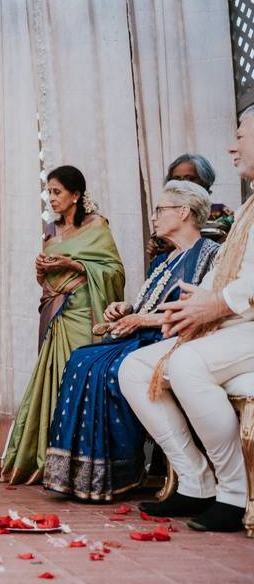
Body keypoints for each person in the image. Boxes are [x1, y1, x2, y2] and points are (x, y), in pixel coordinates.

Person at [119, 107, 254, 532]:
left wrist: (216, 304)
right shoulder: (250, 205)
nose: (232, 145)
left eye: (240, 135)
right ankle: (195, 480)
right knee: (135, 367)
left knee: (186, 362)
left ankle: (235, 493)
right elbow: (230, 268)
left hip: (246, 322)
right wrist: (198, 301)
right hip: (239, 320)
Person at [44, 181, 219, 501]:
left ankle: (118, 472)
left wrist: (141, 320)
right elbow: (147, 305)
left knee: (103, 369)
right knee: (81, 359)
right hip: (147, 335)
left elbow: (198, 313)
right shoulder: (166, 260)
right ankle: (83, 474)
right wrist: (126, 309)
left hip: (176, 340)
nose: (154, 218)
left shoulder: (209, 254)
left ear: (183, 212)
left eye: (160, 210)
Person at [1, 165, 125, 485]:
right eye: (49, 192)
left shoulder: (97, 226)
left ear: (76, 195)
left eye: (57, 192)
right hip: (55, 312)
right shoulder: (52, 231)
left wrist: (75, 264)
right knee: (52, 382)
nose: (51, 198)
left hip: (83, 312)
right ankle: (51, 458)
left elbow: (113, 271)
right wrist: (41, 268)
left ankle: (83, 463)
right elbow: (47, 279)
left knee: (79, 381)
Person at [149, 153, 233, 256]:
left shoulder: (221, 213)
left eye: (190, 178)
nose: (183, 183)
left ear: (205, 181)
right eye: (177, 178)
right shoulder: (167, 213)